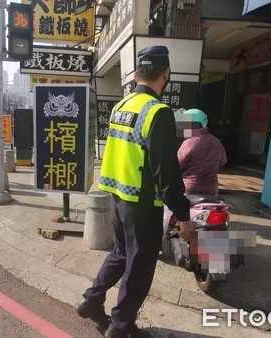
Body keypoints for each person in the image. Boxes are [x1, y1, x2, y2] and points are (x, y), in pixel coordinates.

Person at [76, 46, 193, 338]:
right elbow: (166, 171)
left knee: (121, 253)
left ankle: (92, 299)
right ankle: (120, 326)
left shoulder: (121, 105)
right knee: (140, 266)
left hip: (116, 198)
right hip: (141, 204)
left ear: (137, 73)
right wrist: (183, 214)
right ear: (166, 74)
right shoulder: (158, 112)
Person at [176, 109, 227, 195]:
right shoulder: (217, 142)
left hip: (190, 189)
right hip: (212, 190)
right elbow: (223, 162)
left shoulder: (189, 142)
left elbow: (177, 165)